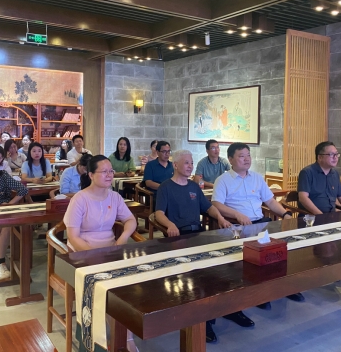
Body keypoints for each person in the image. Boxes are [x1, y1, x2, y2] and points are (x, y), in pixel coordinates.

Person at [154, 149, 249, 344]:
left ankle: (231, 308)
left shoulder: (194, 187)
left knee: (228, 264)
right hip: (179, 237)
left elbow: (208, 207)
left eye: (191, 163)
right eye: (186, 163)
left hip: (199, 234)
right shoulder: (165, 187)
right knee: (200, 275)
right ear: (176, 165)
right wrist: (170, 225)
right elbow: (159, 213)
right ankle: (204, 320)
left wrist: (220, 218)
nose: (190, 166)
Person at [212, 142, 304, 308]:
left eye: (248, 155)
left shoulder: (256, 178)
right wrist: (237, 215)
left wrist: (285, 214)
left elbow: (270, 201)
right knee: (252, 263)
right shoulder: (223, 180)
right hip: (239, 227)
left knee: (279, 254)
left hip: (261, 223)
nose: (247, 159)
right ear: (230, 159)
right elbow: (217, 204)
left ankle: (283, 287)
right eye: (241, 156)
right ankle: (257, 295)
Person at [63, 154, 138, 351]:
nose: (109, 175)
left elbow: (131, 220)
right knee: (103, 285)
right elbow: (73, 236)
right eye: (104, 171)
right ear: (90, 175)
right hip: (83, 252)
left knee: (130, 281)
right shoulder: (80, 199)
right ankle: (118, 338)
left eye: (111, 171)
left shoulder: (114, 197)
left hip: (110, 250)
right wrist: (93, 255)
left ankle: (125, 334)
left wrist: (123, 238)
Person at [297, 141, 341, 214]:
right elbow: (303, 198)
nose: (335, 157)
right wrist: (320, 215)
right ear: (320, 157)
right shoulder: (307, 173)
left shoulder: (335, 174)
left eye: (336, 154)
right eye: (331, 154)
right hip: (312, 217)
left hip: (331, 216)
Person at [142, 141, 174, 206]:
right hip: (156, 194)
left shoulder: (173, 165)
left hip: (172, 193)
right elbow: (148, 183)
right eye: (164, 152)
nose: (167, 154)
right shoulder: (150, 165)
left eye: (168, 152)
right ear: (157, 152)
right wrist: (164, 188)